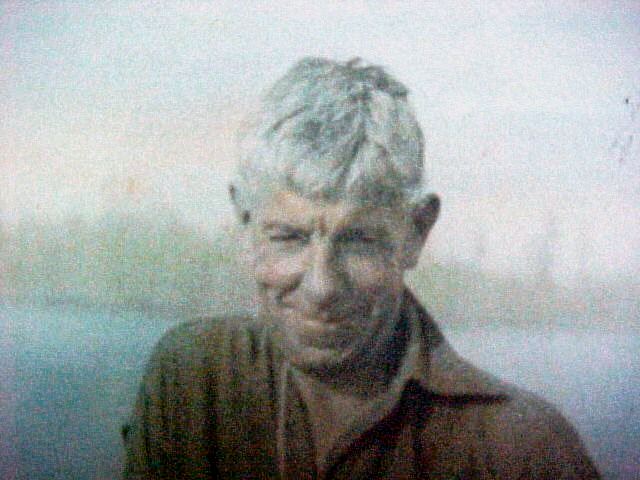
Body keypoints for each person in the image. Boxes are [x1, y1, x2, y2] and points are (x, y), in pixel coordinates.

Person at [122, 57, 600, 479]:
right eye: (288, 237)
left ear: (416, 233)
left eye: (359, 241)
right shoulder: (192, 381)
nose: (321, 287)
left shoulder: (522, 451)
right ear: (246, 225)